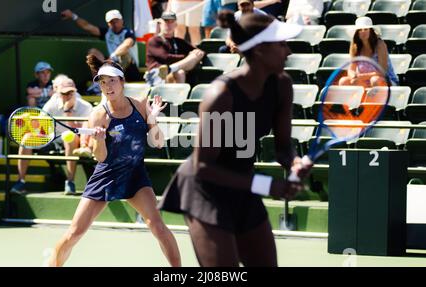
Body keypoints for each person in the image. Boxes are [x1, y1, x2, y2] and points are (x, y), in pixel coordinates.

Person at [158, 12, 312, 266]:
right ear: (260, 49)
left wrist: (294, 163)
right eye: (282, 44)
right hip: (204, 190)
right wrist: (266, 186)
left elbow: (284, 148)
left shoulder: (283, 85)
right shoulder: (220, 95)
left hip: (243, 185)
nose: (289, 51)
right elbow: (203, 167)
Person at [47, 55, 181, 267]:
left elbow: (157, 143)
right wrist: (99, 141)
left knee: (158, 226)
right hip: (107, 176)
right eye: (102, 82)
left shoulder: (140, 106)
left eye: (111, 81)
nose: (107, 86)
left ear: (122, 82)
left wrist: (153, 119)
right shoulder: (98, 115)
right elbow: (100, 157)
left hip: (136, 175)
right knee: (75, 232)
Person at [10, 78, 93, 195]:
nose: (67, 96)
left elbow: (86, 132)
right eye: (64, 93)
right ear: (57, 93)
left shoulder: (86, 107)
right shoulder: (51, 105)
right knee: (27, 138)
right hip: (52, 139)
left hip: (76, 141)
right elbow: (41, 129)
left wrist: (68, 112)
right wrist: (34, 126)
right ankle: (21, 182)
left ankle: (70, 183)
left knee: (69, 137)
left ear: (75, 92)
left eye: (70, 92)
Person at [61, 9, 141, 82]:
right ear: (108, 24)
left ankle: (120, 80)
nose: (115, 24)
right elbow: (87, 26)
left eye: (117, 20)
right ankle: (97, 83)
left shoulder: (128, 32)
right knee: (93, 53)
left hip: (130, 69)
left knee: (124, 55)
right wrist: (73, 16)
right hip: (112, 64)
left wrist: (113, 56)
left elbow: (127, 45)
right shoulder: (107, 33)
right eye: (112, 22)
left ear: (122, 21)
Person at [145, 11, 205, 86]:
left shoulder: (178, 41)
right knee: (182, 70)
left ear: (175, 24)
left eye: (171, 22)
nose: (168, 25)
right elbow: (166, 58)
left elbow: (198, 51)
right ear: (160, 24)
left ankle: (171, 68)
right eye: (166, 21)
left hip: (173, 72)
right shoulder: (154, 40)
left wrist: (196, 54)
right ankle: (171, 69)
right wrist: (187, 57)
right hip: (156, 75)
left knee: (196, 55)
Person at [338, 17, 399, 87]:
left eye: (366, 29)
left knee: (375, 80)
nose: (363, 32)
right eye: (360, 30)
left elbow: (382, 72)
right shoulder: (354, 46)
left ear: (371, 31)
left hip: (385, 81)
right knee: (344, 81)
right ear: (357, 33)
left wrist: (361, 76)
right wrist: (353, 76)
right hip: (364, 81)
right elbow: (351, 69)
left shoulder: (380, 44)